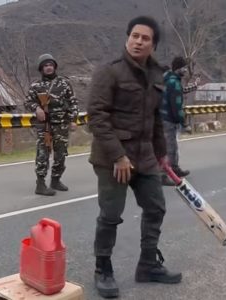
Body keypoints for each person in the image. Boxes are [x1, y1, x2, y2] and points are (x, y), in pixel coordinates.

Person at [87, 16, 181, 298]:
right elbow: (96, 118)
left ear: (153, 44)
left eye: (145, 38)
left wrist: (162, 154)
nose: (138, 41)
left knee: (156, 207)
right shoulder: (109, 72)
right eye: (135, 36)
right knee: (111, 215)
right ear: (127, 38)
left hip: (145, 156)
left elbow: (155, 118)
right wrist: (118, 156)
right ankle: (103, 269)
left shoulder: (157, 74)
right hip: (112, 158)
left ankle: (148, 265)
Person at [24, 53, 78, 196]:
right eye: (45, 66)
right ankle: (40, 184)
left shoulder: (64, 83)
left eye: (51, 65)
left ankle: (56, 179)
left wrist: (73, 120)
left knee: (60, 153)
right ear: (41, 68)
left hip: (61, 124)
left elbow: (73, 102)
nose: (48, 68)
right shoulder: (36, 86)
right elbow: (28, 102)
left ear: (54, 67)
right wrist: (36, 108)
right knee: (43, 153)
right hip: (44, 125)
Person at [159, 56, 200, 186]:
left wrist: (194, 86)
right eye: (183, 68)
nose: (185, 71)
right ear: (177, 69)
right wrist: (184, 124)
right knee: (170, 147)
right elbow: (176, 107)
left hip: (164, 117)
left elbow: (181, 91)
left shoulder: (169, 79)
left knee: (172, 146)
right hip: (168, 119)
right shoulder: (174, 82)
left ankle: (175, 169)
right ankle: (163, 174)